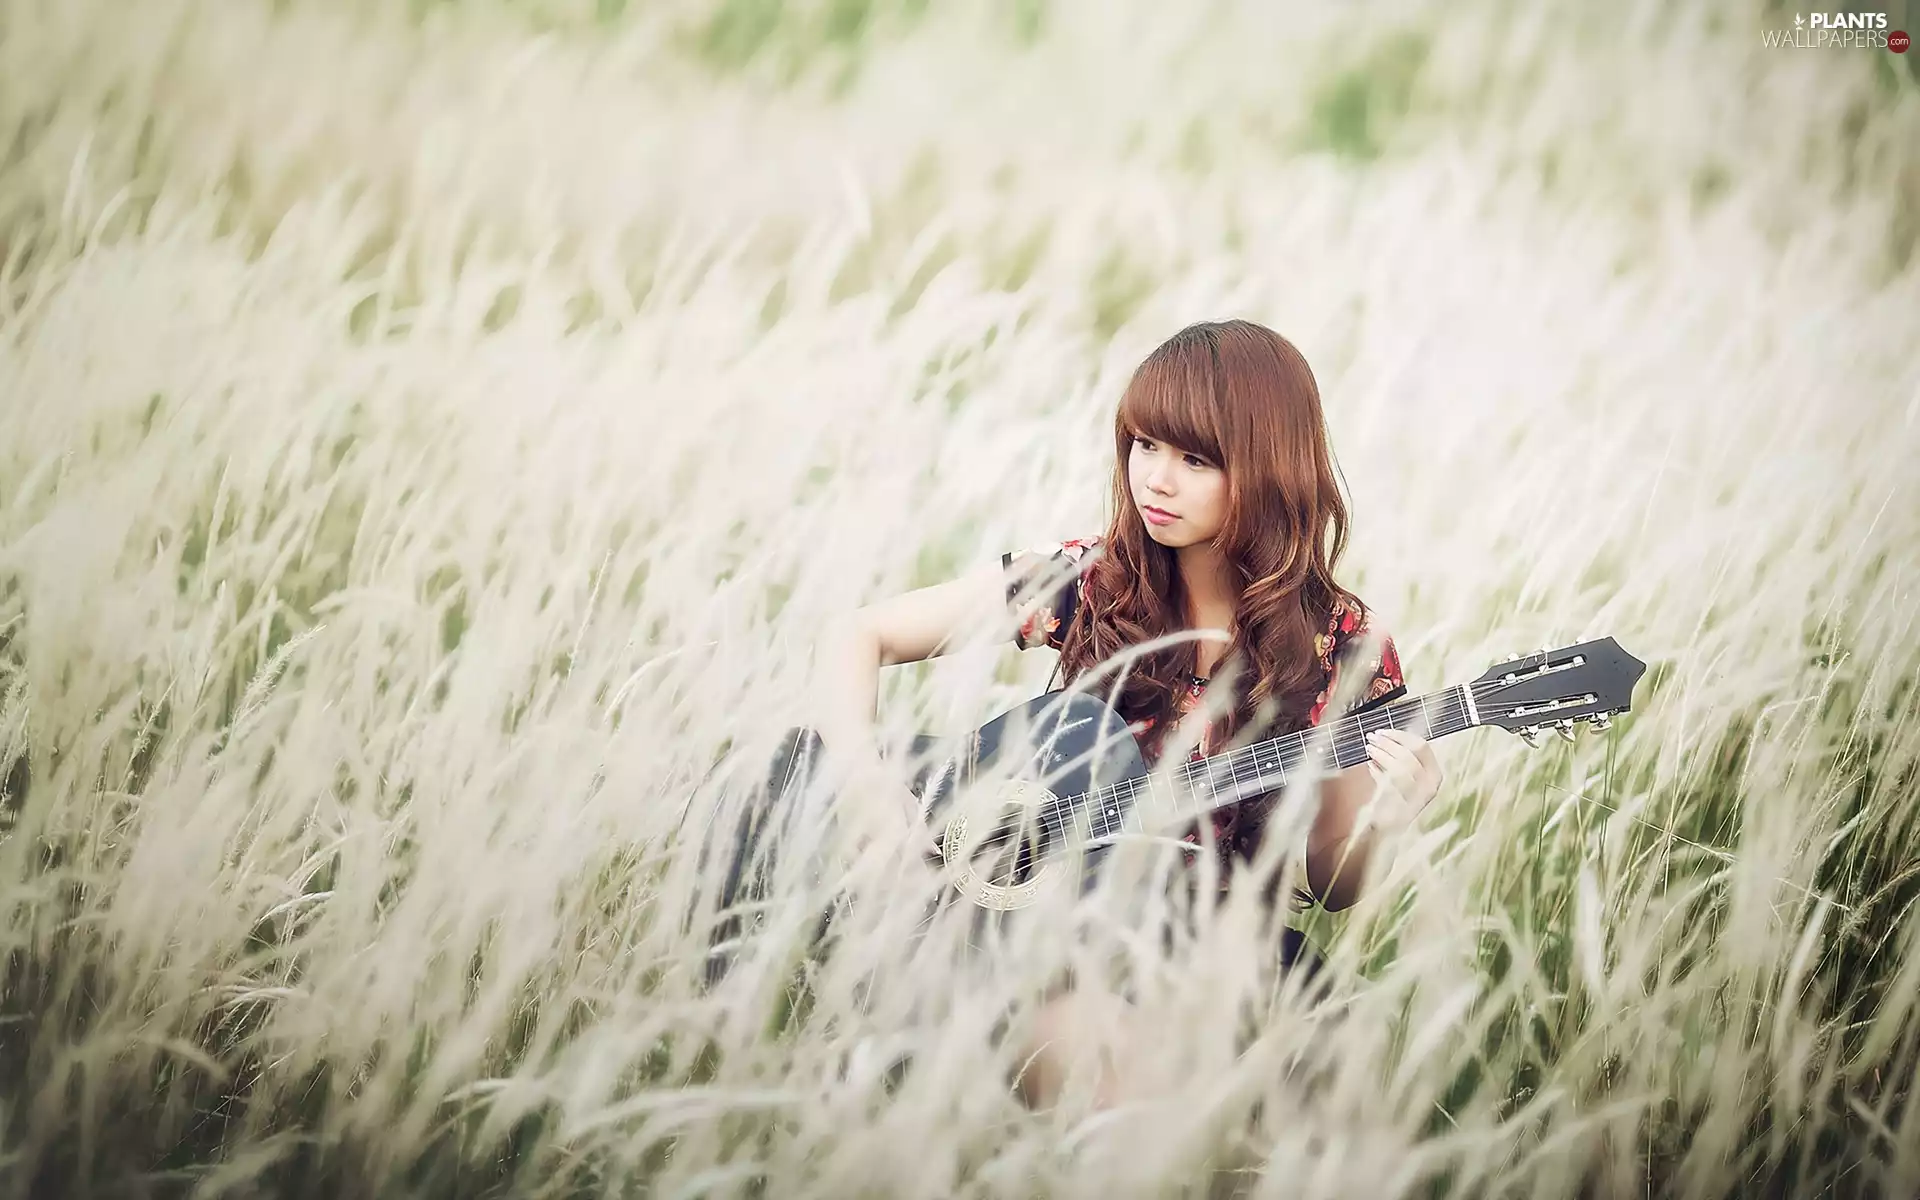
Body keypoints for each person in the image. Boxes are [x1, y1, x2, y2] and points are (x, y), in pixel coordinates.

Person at [759, 319, 1444, 1107]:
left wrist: (1382, 824)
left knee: (1306, 1087)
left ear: (1264, 467)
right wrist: (865, 789)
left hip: (1210, 946)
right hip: (1043, 936)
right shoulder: (1094, 583)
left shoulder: (1342, 644)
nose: (1155, 478)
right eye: (1145, 444)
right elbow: (861, 633)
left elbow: (1333, 886)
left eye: (1194, 460)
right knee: (1092, 1049)